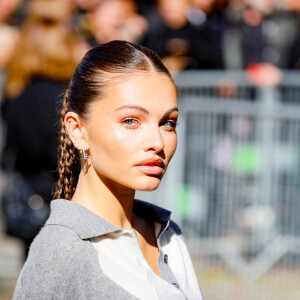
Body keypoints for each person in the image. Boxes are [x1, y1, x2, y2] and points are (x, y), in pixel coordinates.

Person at [13, 40, 203, 300]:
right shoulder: (60, 253)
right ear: (78, 131)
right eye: (131, 121)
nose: (157, 142)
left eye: (168, 123)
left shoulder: (168, 234)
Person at [1, 0, 86, 258]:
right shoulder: (67, 97)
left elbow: (11, 150)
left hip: (29, 195)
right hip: (61, 197)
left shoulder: (16, 91)